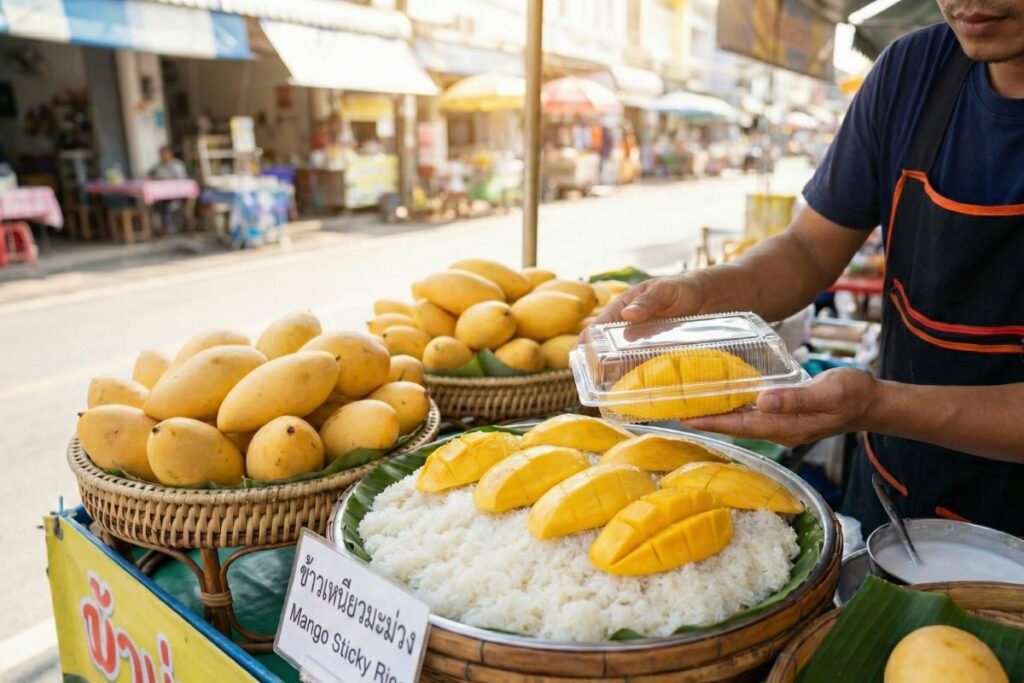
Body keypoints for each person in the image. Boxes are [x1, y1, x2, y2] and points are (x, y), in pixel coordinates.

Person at [596, 4, 1024, 535]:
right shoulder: (911, 72)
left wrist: (879, 404)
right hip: (898, 491)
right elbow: (807, 248)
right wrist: (701, 290)